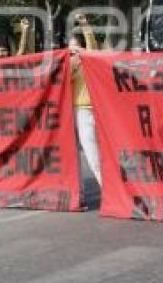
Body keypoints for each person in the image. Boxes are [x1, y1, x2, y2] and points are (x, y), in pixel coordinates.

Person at [68, 14, 101, 196]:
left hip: (89, 110)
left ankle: (110, 189)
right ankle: (77, 191)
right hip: (72, 112)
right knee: (75, 154)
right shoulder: (67, 66)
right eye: (70, 49)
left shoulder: (89, 62)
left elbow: (92, 46)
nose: (73, 52)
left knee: (94, 153)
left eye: (76, 48)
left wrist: (85, 25)